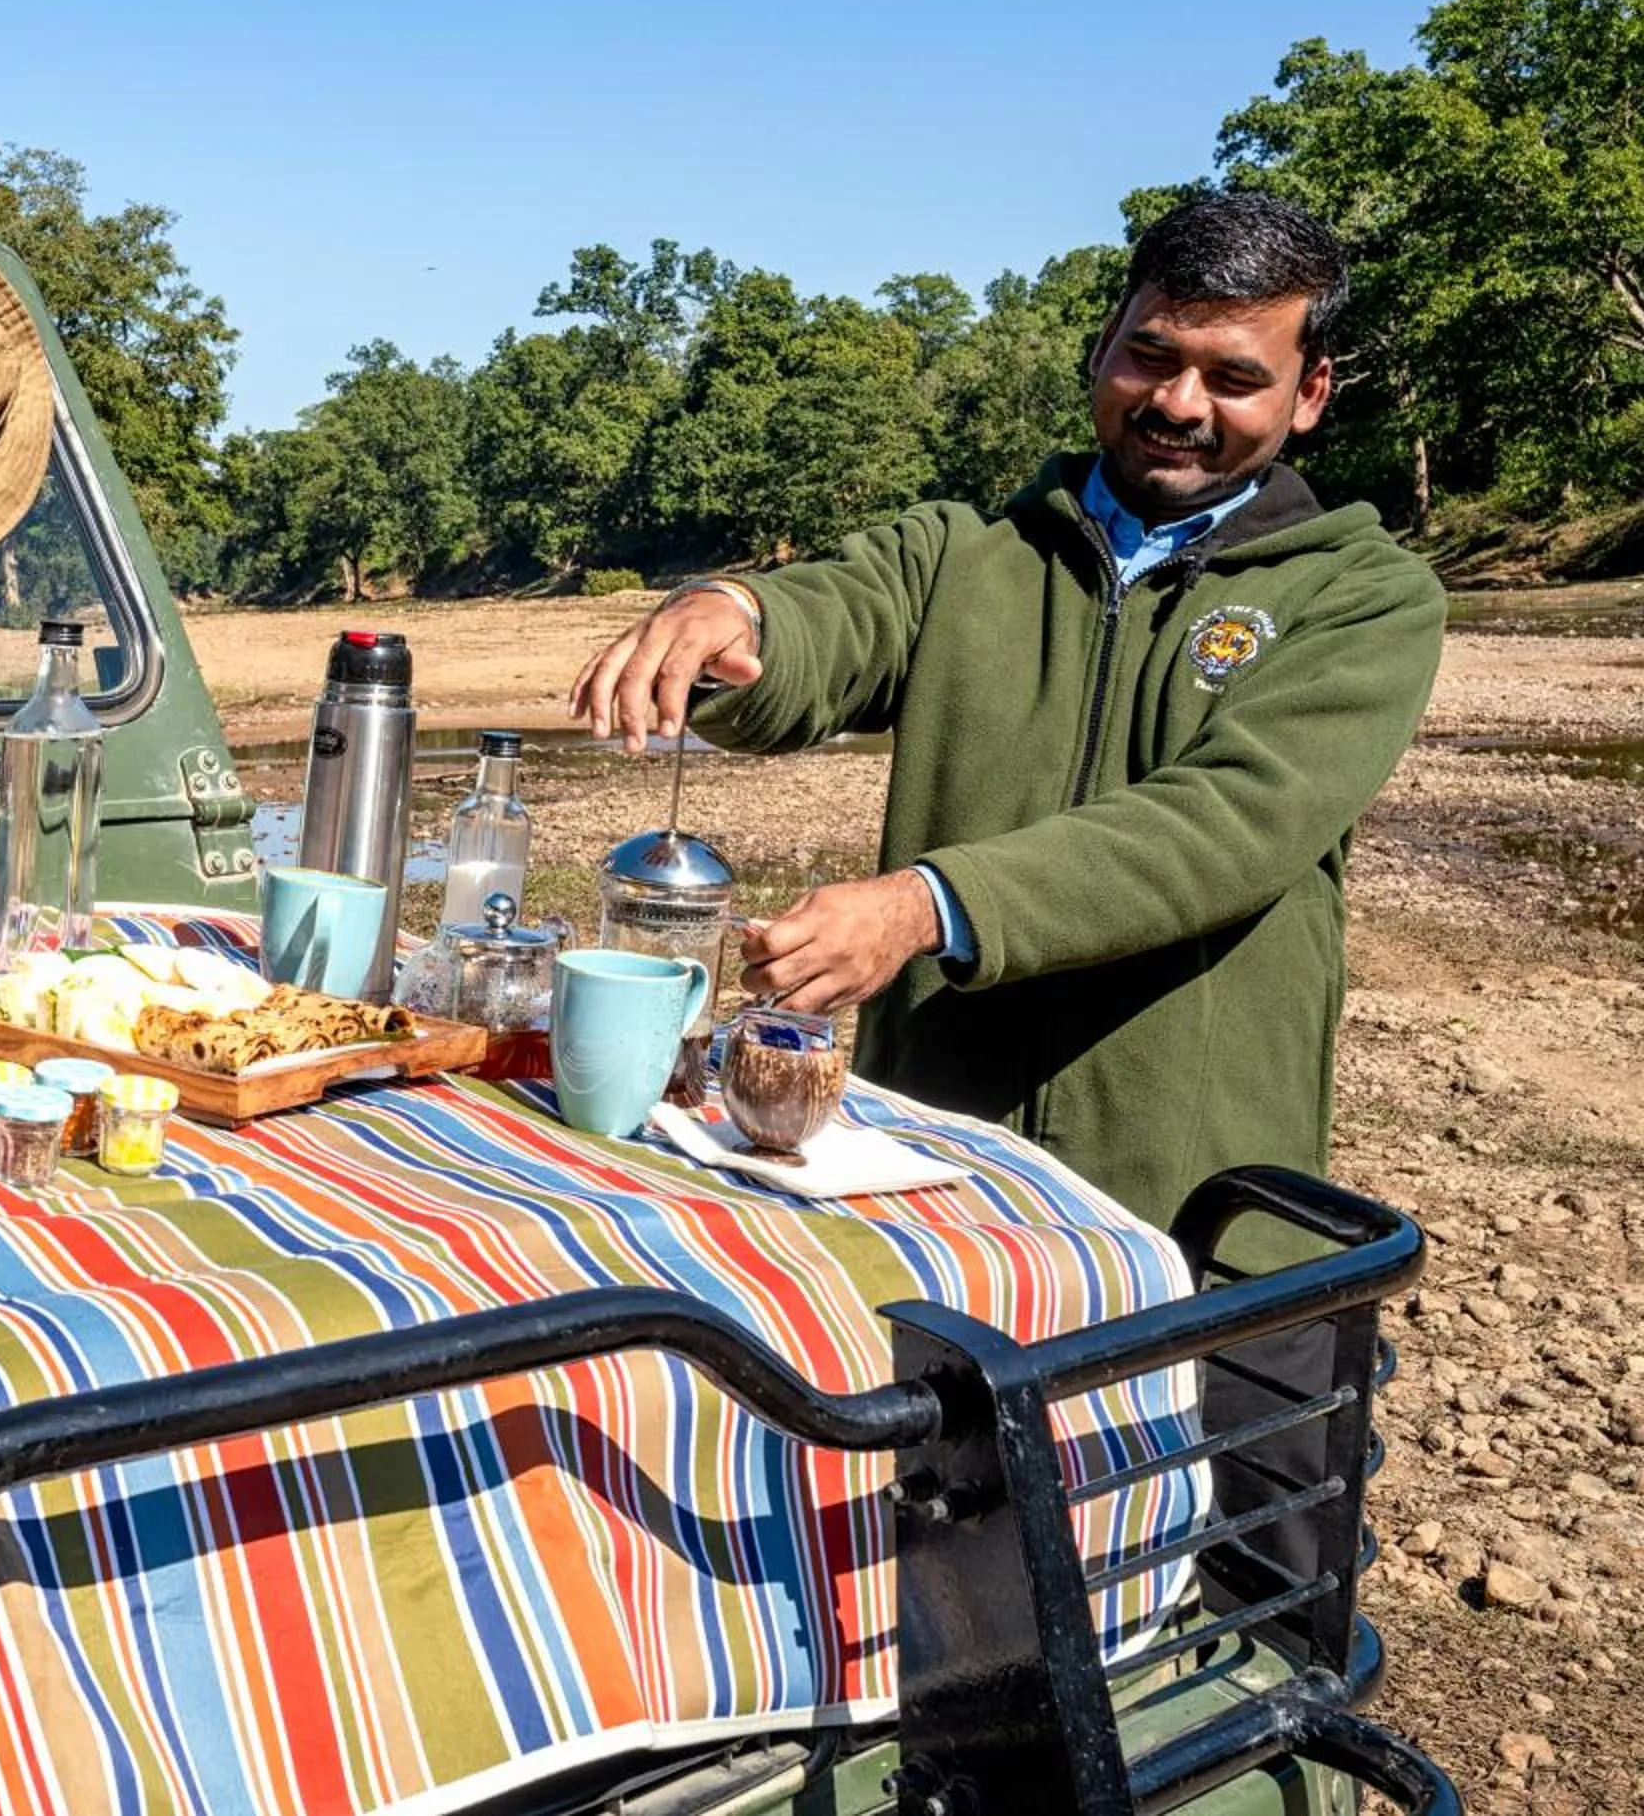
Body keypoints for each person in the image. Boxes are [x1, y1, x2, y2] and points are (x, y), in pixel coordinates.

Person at [567, 192, 1444, 1233]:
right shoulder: (967, 552)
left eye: (1235, 377)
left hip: (1192, 1208)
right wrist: (733, 611)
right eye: (1150, 356)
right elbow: (833, 616)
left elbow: (1226, 825)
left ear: (1310, 393)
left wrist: (924, 906)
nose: (1179, 400)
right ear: (1099, 346)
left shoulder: (1367, 595)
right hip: (919, 1172)